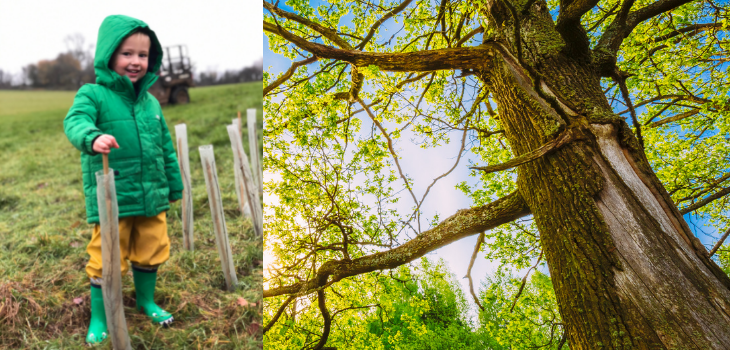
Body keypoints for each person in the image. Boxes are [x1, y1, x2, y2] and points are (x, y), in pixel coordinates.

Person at [64, 15, 183, 344]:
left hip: (151, 195)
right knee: (106, 257)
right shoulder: (93, 94)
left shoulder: (151, 103)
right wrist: (91, 136)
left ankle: (145, 300)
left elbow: (165, 148)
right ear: (108, 55)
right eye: (127, 53)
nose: (135, 62)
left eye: (142, 55)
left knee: (152, 248)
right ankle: (101, 316)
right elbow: (75, 120)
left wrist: (173, 184)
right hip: (113, 196)